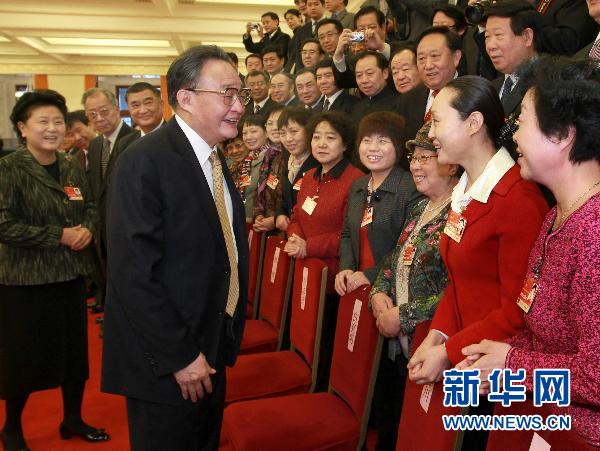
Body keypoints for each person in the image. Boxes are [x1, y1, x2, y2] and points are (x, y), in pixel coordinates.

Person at [101, 45, 250, 451]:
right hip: (168, 360)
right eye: (227, 94)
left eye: (241, 94)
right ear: (185, 97)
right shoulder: (144, 161)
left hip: (210, 341)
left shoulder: (213, 158)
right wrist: (179, 355)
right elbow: (133, 273)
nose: (239, 106)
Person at [459, 57, 600, 449]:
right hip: (541, 422)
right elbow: (538, 330)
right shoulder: (557, 215)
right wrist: (491, 362)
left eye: (521, 121)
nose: (513, 134)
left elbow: (596, 378)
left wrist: (510, 364)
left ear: (562, 135)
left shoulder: (594, 234)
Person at [407, 75, 548, 448]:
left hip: (495, 372)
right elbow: (459, 279)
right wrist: (438, 335)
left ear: (473, 123)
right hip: (466, 354)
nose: (430, 133)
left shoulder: (518, 199)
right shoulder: (466, 188)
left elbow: (519, 311)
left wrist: (448, 352)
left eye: (437, 121)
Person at [0, 90, 107, 451]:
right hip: (24, 281)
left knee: (74, 356)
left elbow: (88, 205)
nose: (52, 129)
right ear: (22, 128)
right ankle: (11, 428)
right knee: (22, 357)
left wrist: (87, 229)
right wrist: (58, 235)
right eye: (42, 122)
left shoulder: (70, 164)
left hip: (70, 275)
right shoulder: (9, 168)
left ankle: (72, 419)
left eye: (58, 121)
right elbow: (4, 224)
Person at [368, 121, 460, 451]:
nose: (416, 166)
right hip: (399, 345)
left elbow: (459, 289)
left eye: (425, 158)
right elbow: (394, 257)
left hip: (434, 347)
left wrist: (404, 315)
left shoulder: (461, 210)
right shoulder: (421, 206)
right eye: (414, 158)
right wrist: (378, 291)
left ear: (451, 164)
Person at [284, 111, 364, 389]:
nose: (321, 144)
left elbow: (350, 235)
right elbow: (296, 216)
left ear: (345, 144)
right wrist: (294, 238)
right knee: (303, 337)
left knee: (325, 344)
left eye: (330, 138)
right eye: (316, 137)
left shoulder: (356, 180)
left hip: (334, 280)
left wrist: (309, 247)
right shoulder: (309, 176)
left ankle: (319, 389)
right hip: (305, 271)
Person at [336, 111, 421, 297]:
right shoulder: (358, 185)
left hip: (390, 291)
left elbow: (407, 247)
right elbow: (347, 233)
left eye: (382, 141)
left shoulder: (410, 188)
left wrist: (370, 275)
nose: (373, 148)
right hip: (354, 285)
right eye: (367, 140)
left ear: (398, 147)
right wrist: (346, 268)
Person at [82, 87, 133, 313]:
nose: (99, 118)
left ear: (116, 108)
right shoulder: (95, 145)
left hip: (126, 225)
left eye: (104, 111)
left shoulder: (135, 140)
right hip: (102, 226)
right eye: (92, 114)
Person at [275, 107, 319, 232]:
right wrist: (280, 214)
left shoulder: (319, 163)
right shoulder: (286, 160)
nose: (288, 139)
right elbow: (285, 198)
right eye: (282, 133)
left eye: (294, 131)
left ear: (309, 131)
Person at [253, 107, 286, 234]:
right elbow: (260, 188)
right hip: (267, 226)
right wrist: (259, 215)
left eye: (279, 122)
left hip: (284, 226)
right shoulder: (269, 155)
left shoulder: (292, 155)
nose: (274, 127)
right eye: (270, 123)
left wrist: (274, 219)